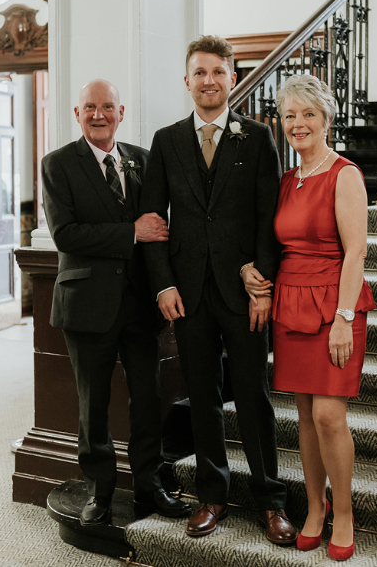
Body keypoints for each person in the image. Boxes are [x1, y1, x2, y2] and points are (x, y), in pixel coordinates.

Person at [139, 35, 295, 544]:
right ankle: (212, 495)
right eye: (199, 72)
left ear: (233, 77)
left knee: (252, 396)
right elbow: (152, 220)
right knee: (201, 397)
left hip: (245, 293)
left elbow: (267, 219)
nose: (209, 81)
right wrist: (163, 283)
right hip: (187, 292)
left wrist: (264, 287)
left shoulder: (259, 137)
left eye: (218, 72)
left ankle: (271, 500)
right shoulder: (165, 141)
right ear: (187, 81)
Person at [40, 79, 190, 526]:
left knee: (147, 397)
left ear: (121, 113)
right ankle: (100, 489)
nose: (99, 114)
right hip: (86, 304)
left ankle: (148, 483)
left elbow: (157, 228)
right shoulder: (57, 164)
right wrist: (130, 233)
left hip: (140, 303)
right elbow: (65, 234)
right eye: (91, 107)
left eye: (108, 107)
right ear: (77, 113)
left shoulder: (143, 160)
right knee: (93, 401)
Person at [243, 75, 374, 561]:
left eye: (308, 115)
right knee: (302, 418)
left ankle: (343, 512)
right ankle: (314, 509)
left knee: (328, 415)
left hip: (335, 303)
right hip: (291, 303)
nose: (298, 124)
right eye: (290, 116)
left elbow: (356, 252)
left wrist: (343, 317)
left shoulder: (345, 174)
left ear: (326, 119)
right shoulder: (285, 181)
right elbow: (272, 244)